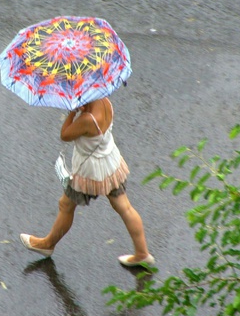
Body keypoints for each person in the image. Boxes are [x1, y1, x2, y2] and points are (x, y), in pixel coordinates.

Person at [19, 97, 154, 267]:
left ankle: (47, 244)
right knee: (124, 207)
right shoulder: (105, 102)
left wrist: (72, 113)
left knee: (66, 205)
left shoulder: (87, 119)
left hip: (89, 172)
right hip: (110, 162)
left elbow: (65, 135)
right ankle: (142, 253)